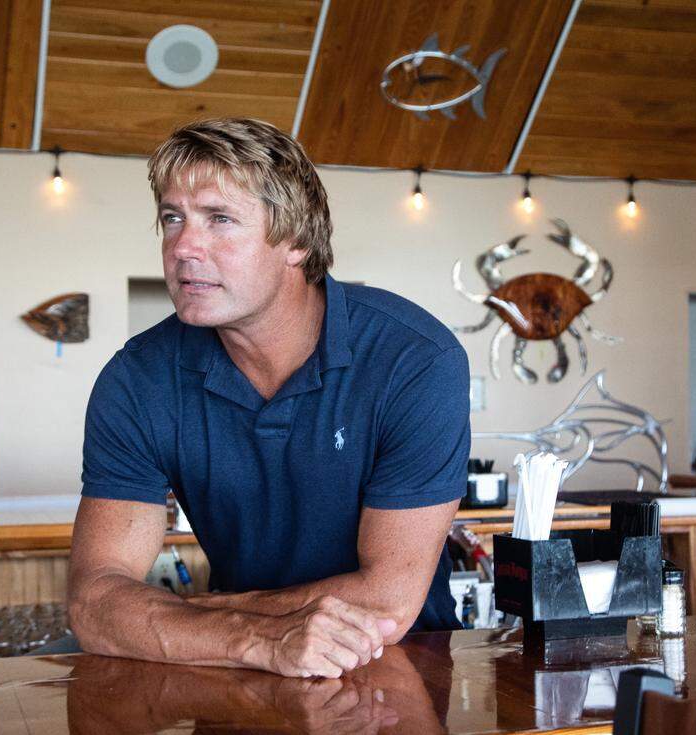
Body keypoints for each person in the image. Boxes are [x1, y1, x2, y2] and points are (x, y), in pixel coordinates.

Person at [68, 118, 471, 679]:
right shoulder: (137, 379)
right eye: (172, 218)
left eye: (220, 219)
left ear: (298, 242)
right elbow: (93, 606)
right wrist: (256, 636)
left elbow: (386, 602)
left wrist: (202, 614)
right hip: (237, 666)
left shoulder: (413, 358)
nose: (183, 247)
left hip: (399, 666)